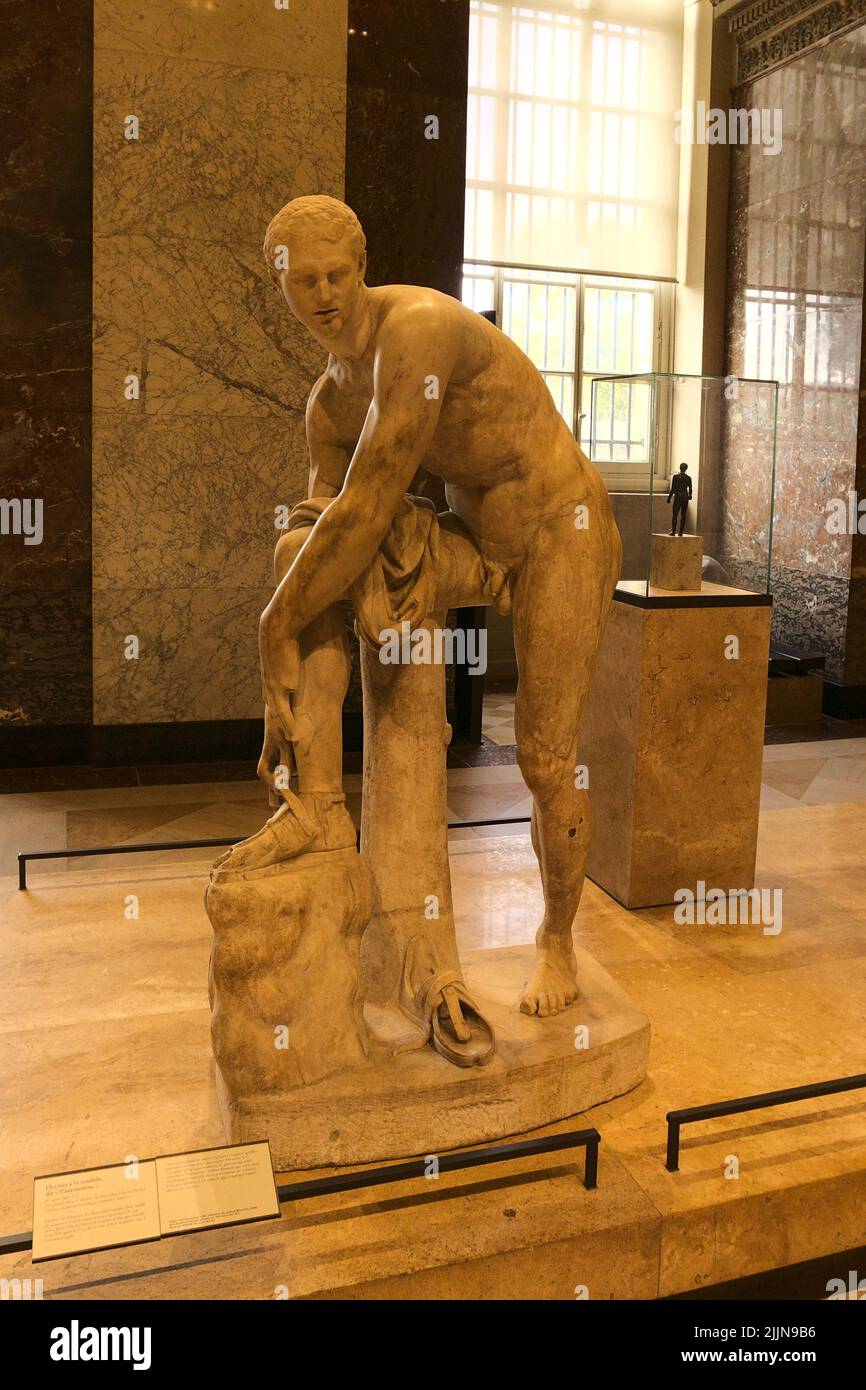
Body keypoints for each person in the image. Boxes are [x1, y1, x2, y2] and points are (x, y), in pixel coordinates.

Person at [222, 196, 622, 1018]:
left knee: (545, 759)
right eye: (306, 282)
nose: (325, 294)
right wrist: (288, 635)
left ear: (363, 268)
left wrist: (271, 628)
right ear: (282, 287)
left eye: (338, 274)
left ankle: (557, 940)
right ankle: (317, 804)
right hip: (472, 544)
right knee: (301, 554)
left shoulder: (418, 331)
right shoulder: (328, 406)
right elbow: (322, 530)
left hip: (559, 530)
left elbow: (366, 510)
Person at [667, 462, 692, 536]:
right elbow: (690, 489)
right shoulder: (688, 478)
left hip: (678, 497)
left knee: (675, 515)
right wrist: (690, 495)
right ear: (686, 469)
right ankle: (680, 532)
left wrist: (669, 497)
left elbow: (673, 488)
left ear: (680, 468)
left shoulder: (676, 477)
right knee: (683, 515)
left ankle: (674, 531)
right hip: (685, 497)